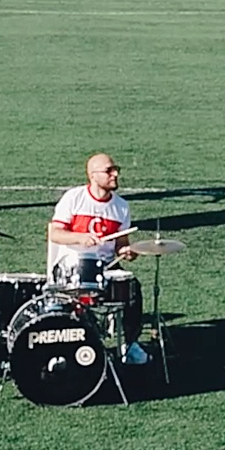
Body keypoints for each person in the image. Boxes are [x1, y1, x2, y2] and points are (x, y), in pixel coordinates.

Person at [47, 153, 147, 365]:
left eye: (115, 169)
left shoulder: (121, 206)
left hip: (107, 267)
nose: (115, 174)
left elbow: (121, 243)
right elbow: (55, 233)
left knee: (132, 288)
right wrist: (80, 238)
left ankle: (129, 344)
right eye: (109, 171)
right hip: (74, 265)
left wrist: (128, 252)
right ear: (93, 176)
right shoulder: (74, 198)